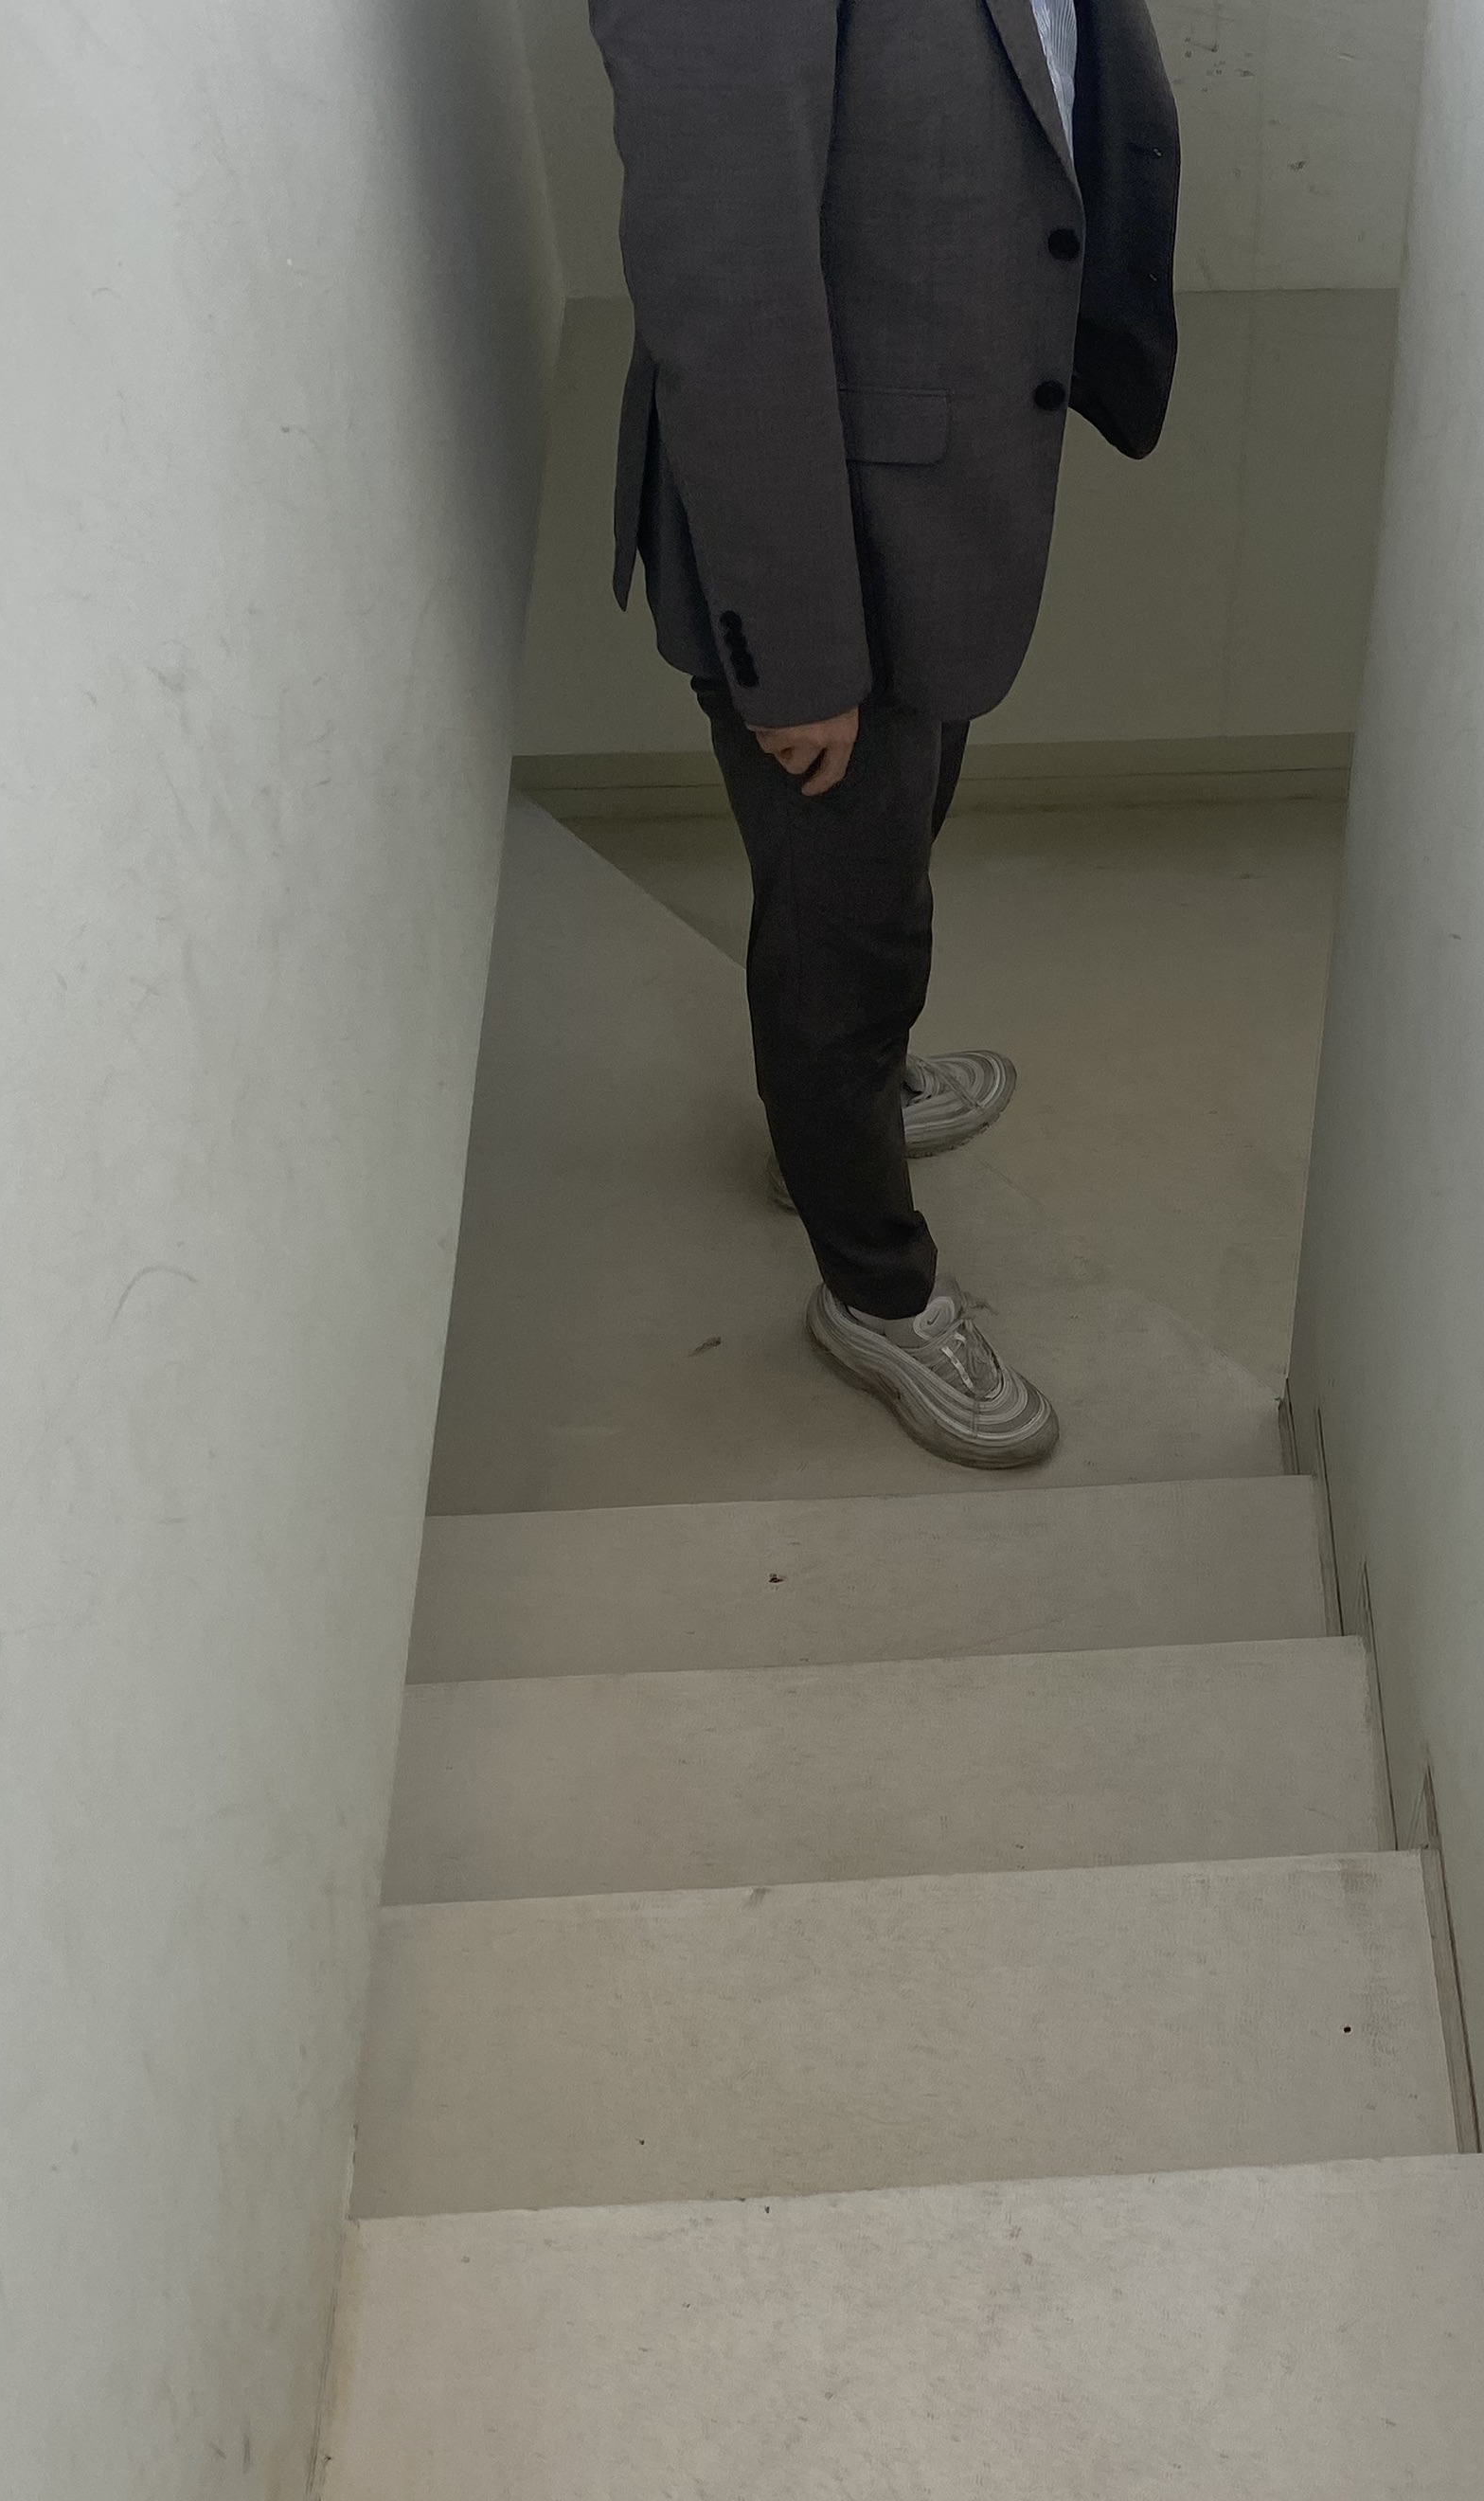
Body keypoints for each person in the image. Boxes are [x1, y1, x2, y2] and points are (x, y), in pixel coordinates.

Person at [589, 0, 1178, 1469]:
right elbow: (724, 283)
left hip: (942, 485)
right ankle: (874, 1286)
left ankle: (846, 1109)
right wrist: (794, 655)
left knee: (888, 851)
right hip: (822, 536)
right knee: (844, 936)